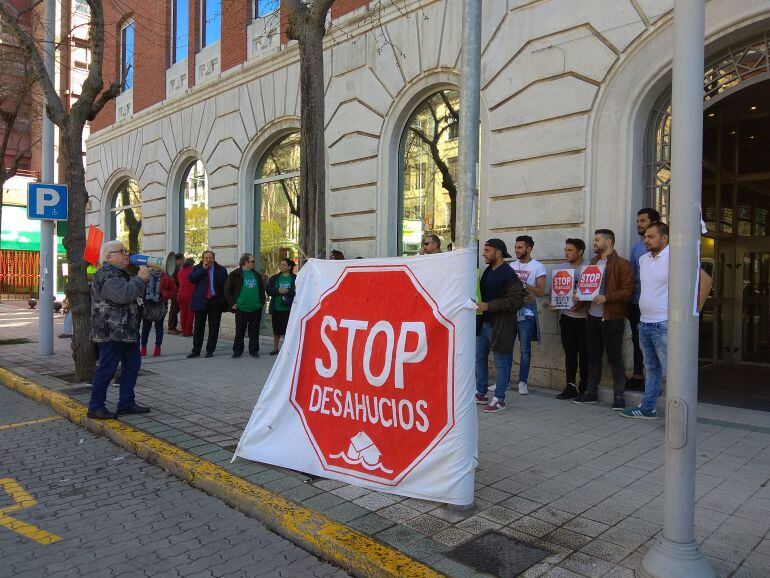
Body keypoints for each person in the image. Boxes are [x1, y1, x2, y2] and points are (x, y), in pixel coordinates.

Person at [87, 240, 151, 420]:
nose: (126, 254)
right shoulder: (106, 275)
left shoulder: (121, 274)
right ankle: (96, 407)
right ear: (108, 257)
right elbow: (123, 295)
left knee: (132, 367)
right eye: (121, 251)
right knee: (107, 369)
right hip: (111, 332)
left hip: (127, 331)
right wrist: (140, 279)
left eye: (126, 251)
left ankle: (126, 403)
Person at [572, 229, 634, 410]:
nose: (594, 243)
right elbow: (587, 288)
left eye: (597, 240)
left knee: (615, 357)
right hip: (592, 316)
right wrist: (579, 296)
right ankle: (591, 392)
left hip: (612, 317)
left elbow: (629, 291)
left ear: (608, 242)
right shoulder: (592, 263)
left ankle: (619, 396)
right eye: (594, 240)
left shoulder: (622, 265)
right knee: (593, 356)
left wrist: (607, 297)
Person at [621, 222, 668, 419]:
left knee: (672, 371)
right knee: (652, 368)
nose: (646, 240)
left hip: (664, 323)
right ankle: (648, 408)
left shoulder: (676, 256)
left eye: (651, 236)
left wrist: (694, 312)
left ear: (664, 237)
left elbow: (704, 280)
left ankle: (679, 413)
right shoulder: (643, 259)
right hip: (645, 322)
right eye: (645, 237)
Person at [475, 239, 527, 413]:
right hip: (484, 324)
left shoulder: (508, 273)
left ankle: (499, 399)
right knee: (478, 359)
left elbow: (516, 300)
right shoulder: (487, 271)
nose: (484, 253)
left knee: (501, 363)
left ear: (498, 253)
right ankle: (481, 393)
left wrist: (490, 305)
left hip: (501, 326)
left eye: (487, 250)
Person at [549, 238, 588, 399]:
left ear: (580, 251)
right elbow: (555, 291)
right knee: (570, 353)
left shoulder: (588, 269)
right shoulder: (560, 269)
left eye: (570, 250)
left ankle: (585, 388)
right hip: (566, 317)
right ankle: (570, 386)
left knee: (585, 354)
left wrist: (582, 304)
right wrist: (553, 303)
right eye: (565, 250)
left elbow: (592, 293)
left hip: (584, 319)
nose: (566, 253)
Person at [627, 208, 660, 391]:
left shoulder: (665, 248)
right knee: (637, 340)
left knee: (657, 343)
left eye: (643, 221)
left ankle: (657, 382)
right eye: (637, 221)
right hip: (636, 303)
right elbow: (632, 275)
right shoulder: (636, 247)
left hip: (658, 306)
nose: (638, 224)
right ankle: (638, 376)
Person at [509, 235, 546, 395]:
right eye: (515, 247)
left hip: (527, 312)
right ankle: (503, 381)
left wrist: (523, 284)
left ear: (529, 249)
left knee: (525, 349)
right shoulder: (511, 265)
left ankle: (523, 382)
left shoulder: (538, 267)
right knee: (505, 347)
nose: (516, 250)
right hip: (510, 311)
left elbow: (540, 291)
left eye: (520, 247)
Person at [187, 250, 228, 358]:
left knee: (214, 327)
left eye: (210, 258)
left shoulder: (221, 270)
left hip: (215, 301)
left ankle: (210, 350)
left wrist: (222, 300)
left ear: (214, 258)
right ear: (202, 259)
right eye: (206, 258)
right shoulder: (197, 268)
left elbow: (226, 287)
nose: (208, 260)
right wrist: (203, 269)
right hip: (201, 300)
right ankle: (196, 350)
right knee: (198, 327)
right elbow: (191, 279)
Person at [225, 253, 266, 358]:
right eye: (252, 261)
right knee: (240, 331)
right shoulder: (236, 274)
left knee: (254, 331)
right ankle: (237, 351)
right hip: (241, 308)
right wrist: (232, 303)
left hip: (255, 308)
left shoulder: (256, 274)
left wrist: (261, 302)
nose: (254, 263)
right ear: (246, 262)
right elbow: (227, 290)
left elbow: (261, 289)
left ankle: (254, 351)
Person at [140, 268, 176, 357]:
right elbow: (140, 287)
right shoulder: (146, 275)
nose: (156, 267)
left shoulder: (167, 276)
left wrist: (165, 295)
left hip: (161, 305)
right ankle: (143, 347)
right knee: (146, 328)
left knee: (159, 327)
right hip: (148, 305)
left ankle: (157, 348)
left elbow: (174, 289)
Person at [266, 258, 297, 355]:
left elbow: (299, 290)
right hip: (276, 308)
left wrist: (288, 291)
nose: (281, 266)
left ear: (289, 267)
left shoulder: (295, 278)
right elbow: (268, 290)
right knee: (276, 330)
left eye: (284, 265)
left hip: (290, 309)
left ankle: (288, 349)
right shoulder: (274, 278)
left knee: (289, 330)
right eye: (280, 265)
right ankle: (275, 348)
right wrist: (278, 290)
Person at [176, 258, 195, 337]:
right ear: (192, 264)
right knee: (190, 314)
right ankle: (188, 331)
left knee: (183, 313)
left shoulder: (180, 272)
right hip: (190, 295)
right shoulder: (193, 271)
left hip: (180, 295)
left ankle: (183, 331)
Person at [167, 253, 185, 335]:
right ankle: (171, 327)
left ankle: (173, 327)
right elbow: (175, 280)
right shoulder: (175, 269)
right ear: (178, 260)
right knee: (174, 309)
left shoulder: (176, 268)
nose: (183, 261)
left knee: (175, 309)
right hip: (175, 291)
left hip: (176, 291)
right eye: (182, 260)